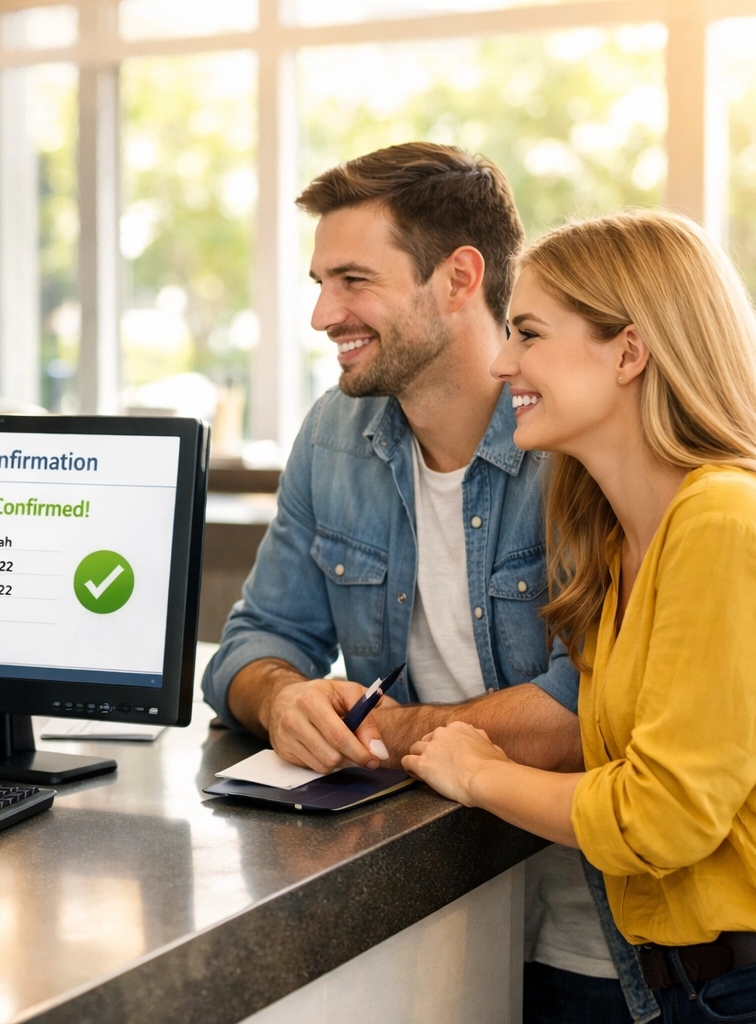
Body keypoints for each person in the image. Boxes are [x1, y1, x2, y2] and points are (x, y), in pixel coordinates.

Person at [200, 143, 654, 1022]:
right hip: (428, 924)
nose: (323, 313)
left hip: (601, 943)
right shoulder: (334, 435)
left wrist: (391, 732)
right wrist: (284, 697)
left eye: (353, 280)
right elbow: (252, 643)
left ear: (458, 277)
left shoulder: (581, 442)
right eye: (319, 281)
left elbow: (582, 712)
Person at [404, 209, 756, 1022]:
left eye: (528, 334)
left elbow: (660, 818)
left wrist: (476, 773)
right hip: (714, 987)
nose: (502, 363)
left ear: (630, 352)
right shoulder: (620, 541)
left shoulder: (727, 521)